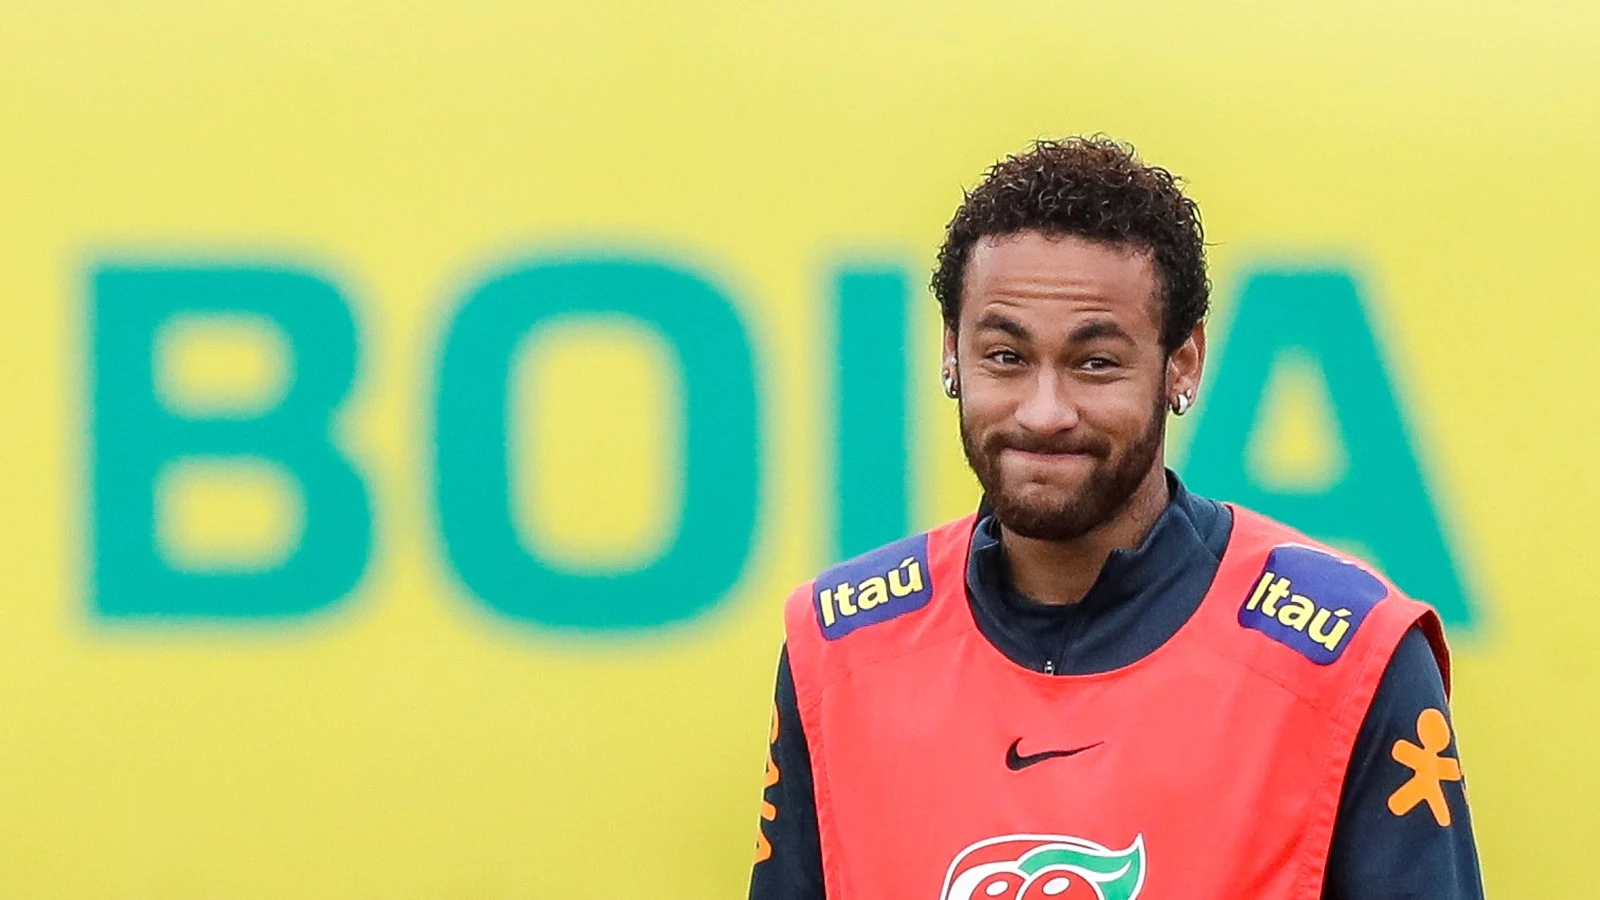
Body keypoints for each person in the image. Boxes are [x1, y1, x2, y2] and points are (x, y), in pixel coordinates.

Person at [748, 137, 1483, 899]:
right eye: (1005, 356)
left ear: (1183, 363)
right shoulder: (839, 651)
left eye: (1095, 363)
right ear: (950, 353)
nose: (1045, 411)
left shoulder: (1350, 657)